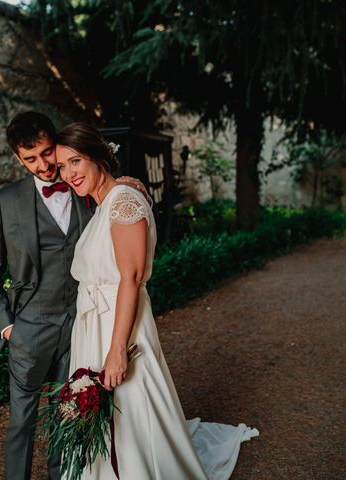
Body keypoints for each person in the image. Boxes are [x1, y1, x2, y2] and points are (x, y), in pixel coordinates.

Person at [55, 122, 259, 480]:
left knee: (132, 410)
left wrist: (117, 349)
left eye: (75, 161)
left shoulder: (122, 202)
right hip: (94, 325)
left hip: (118, 327)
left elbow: (131, 279)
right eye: (62, 166)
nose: (68, 173)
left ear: (97, 157)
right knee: (109, 417)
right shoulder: (106, 202)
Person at [0, 112, 146, 480]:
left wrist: (128, 184)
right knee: (22, 422)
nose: (44, 166)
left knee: (66, 416)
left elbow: (115, 202)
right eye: (30, 159)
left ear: (56, 146)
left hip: (80, 329)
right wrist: (7, 328)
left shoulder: (80, 183)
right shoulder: (7, 200)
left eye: (46, 153)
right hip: (28, 329)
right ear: (18, 160)